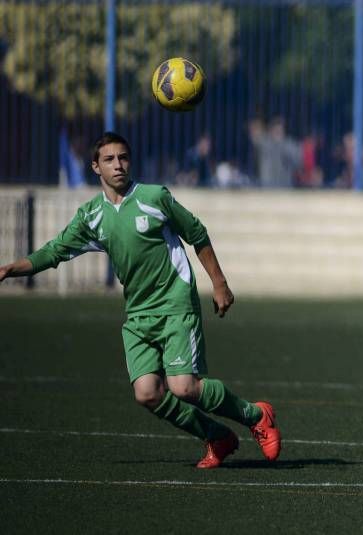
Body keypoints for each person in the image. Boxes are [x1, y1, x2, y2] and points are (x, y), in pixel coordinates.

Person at [0, 132, 281, 469]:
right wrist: (10, 268)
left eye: (123, 158)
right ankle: (216, 436)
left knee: (184, 387)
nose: (118, 165)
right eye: (109, 159)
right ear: (95, 167)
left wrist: (219, 283)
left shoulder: (154, 197)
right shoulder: (91, 216)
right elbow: (54, 251)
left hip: (176, 303)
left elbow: (196, 233)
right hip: (138, 313)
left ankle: (255, 415)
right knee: (147, 393)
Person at [248, 116, 302, 188]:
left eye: (279, 129)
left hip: (284, 188)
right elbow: (255, 135)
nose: (277, 131)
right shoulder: (265, 143)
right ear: (270, 130)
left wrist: (281, 145)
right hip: (267, 188)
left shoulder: (290, 144)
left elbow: (298, 162)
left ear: (284, 130)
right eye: (275, 128)